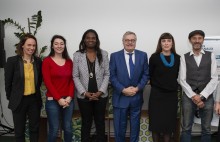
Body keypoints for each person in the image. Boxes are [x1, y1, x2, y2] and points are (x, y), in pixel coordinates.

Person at [179, 30, 218, 142]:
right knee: (186, 127)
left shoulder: (211, 56)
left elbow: (214, 78)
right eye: (194, 38)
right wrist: (193, 96)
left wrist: (202, 95)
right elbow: (182, 79)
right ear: (190, 40)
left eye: (199, 38)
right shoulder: (184, 57)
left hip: (207, 96)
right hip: (188, 96)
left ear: (203, 40)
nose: (197, 40)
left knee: (206, 128)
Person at [109, 31, 149, 142]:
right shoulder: (114, 56)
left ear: (136, 41)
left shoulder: (143, 55)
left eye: (132, 40)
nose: (130, 42)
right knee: (119, 129)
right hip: (120, 97)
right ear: (123, 42)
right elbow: (112, 76)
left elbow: (146, 75)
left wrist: (137, 88)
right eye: (127, 40)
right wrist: (123, 89)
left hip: (136, 97)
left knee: (135, 128)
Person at [73, 29, 109, 142]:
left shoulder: (104, 54)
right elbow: (75, 76)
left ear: (96, 40)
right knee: (86, 122)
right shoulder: (77, 55)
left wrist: (100, 92)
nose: (90, 40)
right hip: (84, 97)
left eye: (93, 38)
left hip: (101, 96)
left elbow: (107, 74)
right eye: (88, 38)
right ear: (84, 40)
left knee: (100, 122)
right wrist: (84, 92)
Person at [4, 34, 42, 142]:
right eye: (29, 45)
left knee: (34, 129)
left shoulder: (38, 61)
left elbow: (38, 81)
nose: (32, 48)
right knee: (19, 131)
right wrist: (12, 98)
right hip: (19, 101)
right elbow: (8, 83)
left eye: (34, 45)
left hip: (34, 100)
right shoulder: (12, 61)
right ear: (22, 46)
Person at [148, 33, 180, 142]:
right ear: (160, 43)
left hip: (171, 97)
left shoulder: (178, 58)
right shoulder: (154, 57)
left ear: (172, 43)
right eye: (163, 41)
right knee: (156, 126)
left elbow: (178, 76)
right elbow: (150, 75)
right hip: (157, 96)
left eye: (169, 40)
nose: (166, 43)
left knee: (168, 126)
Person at [42, 35, 74, 142]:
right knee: (54, 129)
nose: (59, 46)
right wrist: (59, 99)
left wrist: (69, 97)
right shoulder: (47, 61)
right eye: (56, 43)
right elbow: (48, 82)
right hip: (53, 100)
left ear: (64, 46)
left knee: (68, 128)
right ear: (52, 45)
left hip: (68, 100)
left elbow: (72, 81)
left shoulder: (69, 62)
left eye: (61, 43)